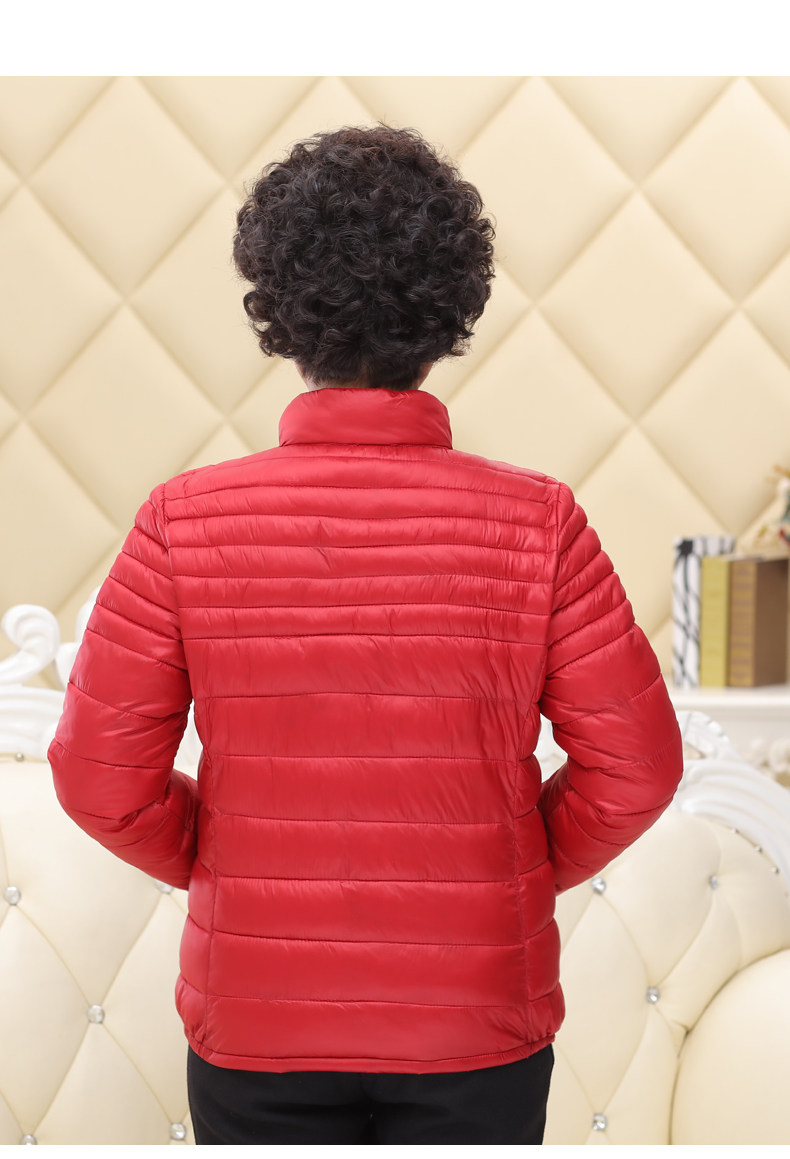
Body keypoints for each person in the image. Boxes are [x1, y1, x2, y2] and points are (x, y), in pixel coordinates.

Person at [49, 125, 684, 1145]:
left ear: (280, 309)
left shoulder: (182, 520)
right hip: (476, 1013)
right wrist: (507, 864)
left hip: (258, 1014)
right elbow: (638, 768)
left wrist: (228, 863)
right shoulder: (540, 523)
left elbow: (97, 778)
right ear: (447, 310)